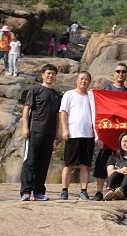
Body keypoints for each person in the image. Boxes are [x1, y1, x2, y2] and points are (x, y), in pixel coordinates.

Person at [20, 63, 62, 201]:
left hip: (49, 133)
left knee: (44, 163)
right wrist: (25, 128)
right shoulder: (35, 90)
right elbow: (26, 109)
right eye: (48, 73)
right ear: (43, 75)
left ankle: (38, 192)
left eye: (53, 74)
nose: (50, 76)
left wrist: (56, 133)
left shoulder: (56, 94)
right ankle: (26, 191)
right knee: (30, 161)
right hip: (35, 130)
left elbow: (57, 115)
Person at [93, 63, 127, 200]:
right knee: (103, 160)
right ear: (113, 74)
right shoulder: (107, 90)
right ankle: (99, 191)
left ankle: (117, 188)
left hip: (124, 132)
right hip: (109, 131)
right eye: (118, 71)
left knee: (124, 160)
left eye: (123, 71)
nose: (121, 74)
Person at [59, 71, 96, 201]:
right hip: (73, 133)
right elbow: (63, 112)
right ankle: (64, 191)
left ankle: (83, 191)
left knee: (85, 165)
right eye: (81, 79)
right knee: (69, 164)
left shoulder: (91, 96)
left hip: (88, 134)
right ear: (76, 80)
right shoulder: (69, 94)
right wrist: (65, 129)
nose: (83, 81)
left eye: (86, 79)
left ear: (89, 82)